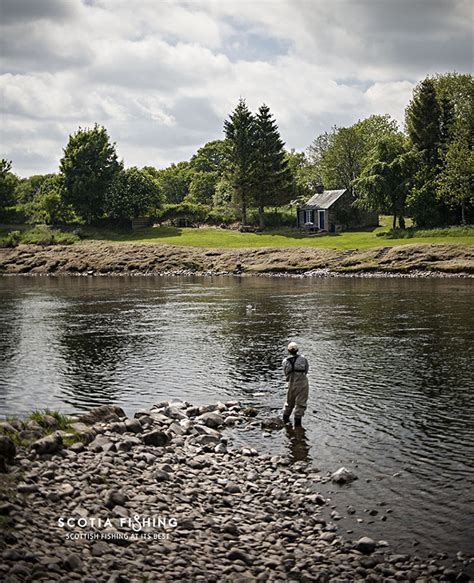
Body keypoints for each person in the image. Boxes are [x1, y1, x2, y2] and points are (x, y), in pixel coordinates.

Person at [282, 342, 309, 427]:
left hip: (291, 383)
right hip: (302, 383)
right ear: (297, 350)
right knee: (300, 404)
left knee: (289, 403)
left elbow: (286, 373)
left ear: (288, 350)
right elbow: (306, 370)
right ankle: (297, 426)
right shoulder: (303, 359)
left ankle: (285, 421)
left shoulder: (285, 361)